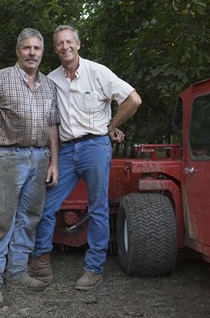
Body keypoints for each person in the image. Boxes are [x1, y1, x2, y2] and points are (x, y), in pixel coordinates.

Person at [28, 25, 142, 291]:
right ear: (54, 49)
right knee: (46, 204)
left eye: (69, 42)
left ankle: (93, 269)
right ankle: (40, 262)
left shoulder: (97, 72)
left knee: (98, 208)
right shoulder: (51, 79)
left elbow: (133, 100)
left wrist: (111, 125)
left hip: (95, 146)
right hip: (65, 150)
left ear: (78, 44)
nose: (64, 47)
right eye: (59, 43)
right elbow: (47, 120)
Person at [0, 28, 59, 307]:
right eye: (27, 48)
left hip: (40, 158)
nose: (32, 53)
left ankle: (18, 271)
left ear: (42, 53)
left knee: (30, 217)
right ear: (18, 51)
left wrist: (54, 162)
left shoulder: (49, 85)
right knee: (3, 218)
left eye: (37, 48)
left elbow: (52, 127)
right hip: (9, 156)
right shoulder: (0, 79)